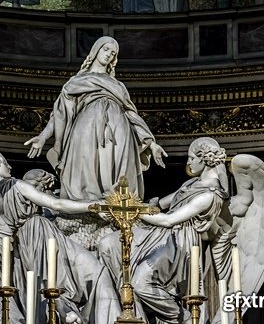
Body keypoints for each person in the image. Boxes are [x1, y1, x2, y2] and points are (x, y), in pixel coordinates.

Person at [24, 36, 167, 250]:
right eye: (106, 49)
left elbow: (132, 114)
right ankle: (89, 207)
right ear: (96, 50)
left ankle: (116, 209)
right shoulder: (76, 82)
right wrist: (44, 137)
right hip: (86, 129)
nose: (109, 54)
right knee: (85, 168)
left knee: (118, 176)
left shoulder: (118, 85)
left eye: (114, 53)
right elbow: (60, 114)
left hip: (119, 130)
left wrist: (151, 143)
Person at [0, 148, 121, 324]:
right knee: (95, 273)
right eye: (4, 162)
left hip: (21, 250)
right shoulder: (15, 185)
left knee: (50, 289)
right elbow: (57, 204)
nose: (9, 166)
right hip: (40, 236)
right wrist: (95, 206)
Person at [98, 137, 230, 324]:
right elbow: (158, 205)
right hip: (159, 234)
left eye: (191, 158)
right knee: (108, 244)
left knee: (140, 283)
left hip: (178, 243)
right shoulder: (190, 185)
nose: (188, 162)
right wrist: (124, 199)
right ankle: (127, 309)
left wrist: (131, 210)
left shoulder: (209, 196)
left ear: (203, 159)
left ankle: (185, 318)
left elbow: (169, 220)